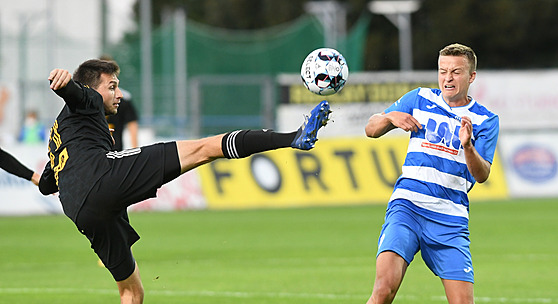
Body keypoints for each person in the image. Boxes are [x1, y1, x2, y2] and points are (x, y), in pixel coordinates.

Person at [38, 59, 330, 304]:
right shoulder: (86, 100)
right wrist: (64, 83)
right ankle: (293, 137)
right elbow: (76, 93)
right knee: (205, 149)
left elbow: (48, 184)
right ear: (92, 89)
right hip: (102, 177)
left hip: (80, 210)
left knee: (132, 290)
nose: (119, 94)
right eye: (112, 87)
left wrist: (38, 178)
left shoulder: (62, 130)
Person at [364, 43, 499, 304]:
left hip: (450, 219)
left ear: (471, 77)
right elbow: (370, 129)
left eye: (456, 72)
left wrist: (468, 146)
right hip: (408, 208)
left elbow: (482, 175)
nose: (447, 78)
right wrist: (391, 117)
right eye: (442, 71)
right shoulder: (419, 98)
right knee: (383, 290)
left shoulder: (485, 120)